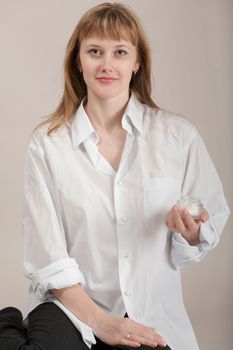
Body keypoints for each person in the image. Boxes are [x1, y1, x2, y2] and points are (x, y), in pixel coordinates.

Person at [0, 2, 230, 350]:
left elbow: (207, 223)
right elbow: (48, 259)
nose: (107, 64)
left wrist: (192, 231)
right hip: (73, 312)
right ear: (78, 61)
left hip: (151, 317)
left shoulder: (177, 136)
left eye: (120, 52)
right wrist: (103, 324)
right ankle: (7, 325)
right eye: (95, 51)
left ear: (137, 62)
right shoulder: (48, 145)